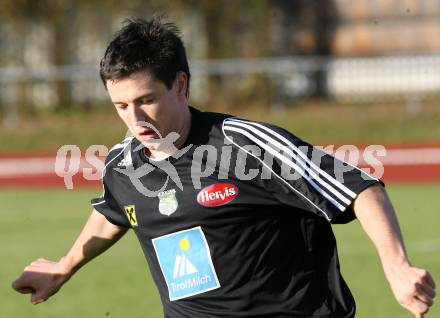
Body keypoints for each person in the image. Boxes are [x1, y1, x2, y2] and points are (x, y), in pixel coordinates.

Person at [12, 17, 435, 318]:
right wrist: (65, 266)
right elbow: (114, 209)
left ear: (180, 84)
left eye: (145, 100)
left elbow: (359, 188)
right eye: (121, 105)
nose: (134, 117)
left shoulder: (245, 146)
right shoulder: (124, 164)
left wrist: (396, 266)